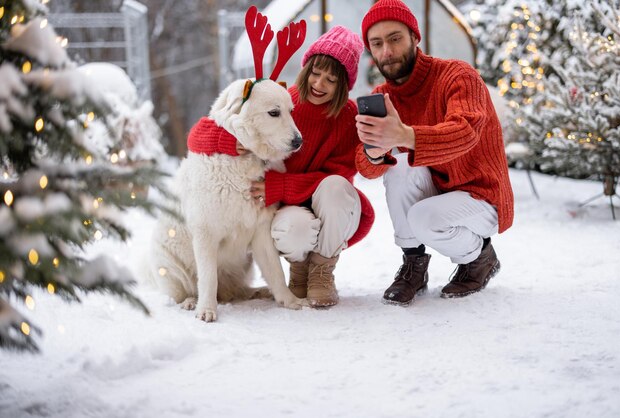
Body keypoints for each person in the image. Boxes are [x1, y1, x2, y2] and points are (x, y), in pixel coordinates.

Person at [188, 26, 374, 308]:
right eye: (316, 72)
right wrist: (227, 138)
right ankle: (298, 271)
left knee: (336, 188)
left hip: (326, 204)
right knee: (291, 228)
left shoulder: (348, 118)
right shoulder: (285, 101)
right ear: (306, 69)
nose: (320, 83)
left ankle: (322, 270)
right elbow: (198, 134)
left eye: (331, 79)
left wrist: (280, 186)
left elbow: (340, 178)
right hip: (289, 209)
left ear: (343, 86)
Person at [355, 0, 514, 304]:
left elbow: (465, 131)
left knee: (424, 216)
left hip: (482, 194)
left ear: (416, 38)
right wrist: (376, 152)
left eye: (395, 38)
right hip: (440, 192)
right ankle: (414, 265)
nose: (386, 51)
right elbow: (365, 166)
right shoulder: (382, 98)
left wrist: (406, 135)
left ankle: (481, 258)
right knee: (399, 165)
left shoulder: (457, 75)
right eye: (377, 43)